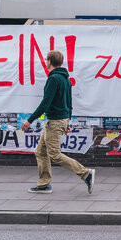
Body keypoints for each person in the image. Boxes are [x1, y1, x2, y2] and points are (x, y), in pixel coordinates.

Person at [21, 50, 94, 194]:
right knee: (40, 151)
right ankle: (44, 184)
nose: (45, 62)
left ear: (49, 61)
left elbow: (45, 103)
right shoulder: (65, 79)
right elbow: (69, 102)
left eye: (46, 60)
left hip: (55, 121)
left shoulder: (53, 79)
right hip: (60, 119)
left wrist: (29, 120)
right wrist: (67, 121)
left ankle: (86, 173)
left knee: (54, 154)